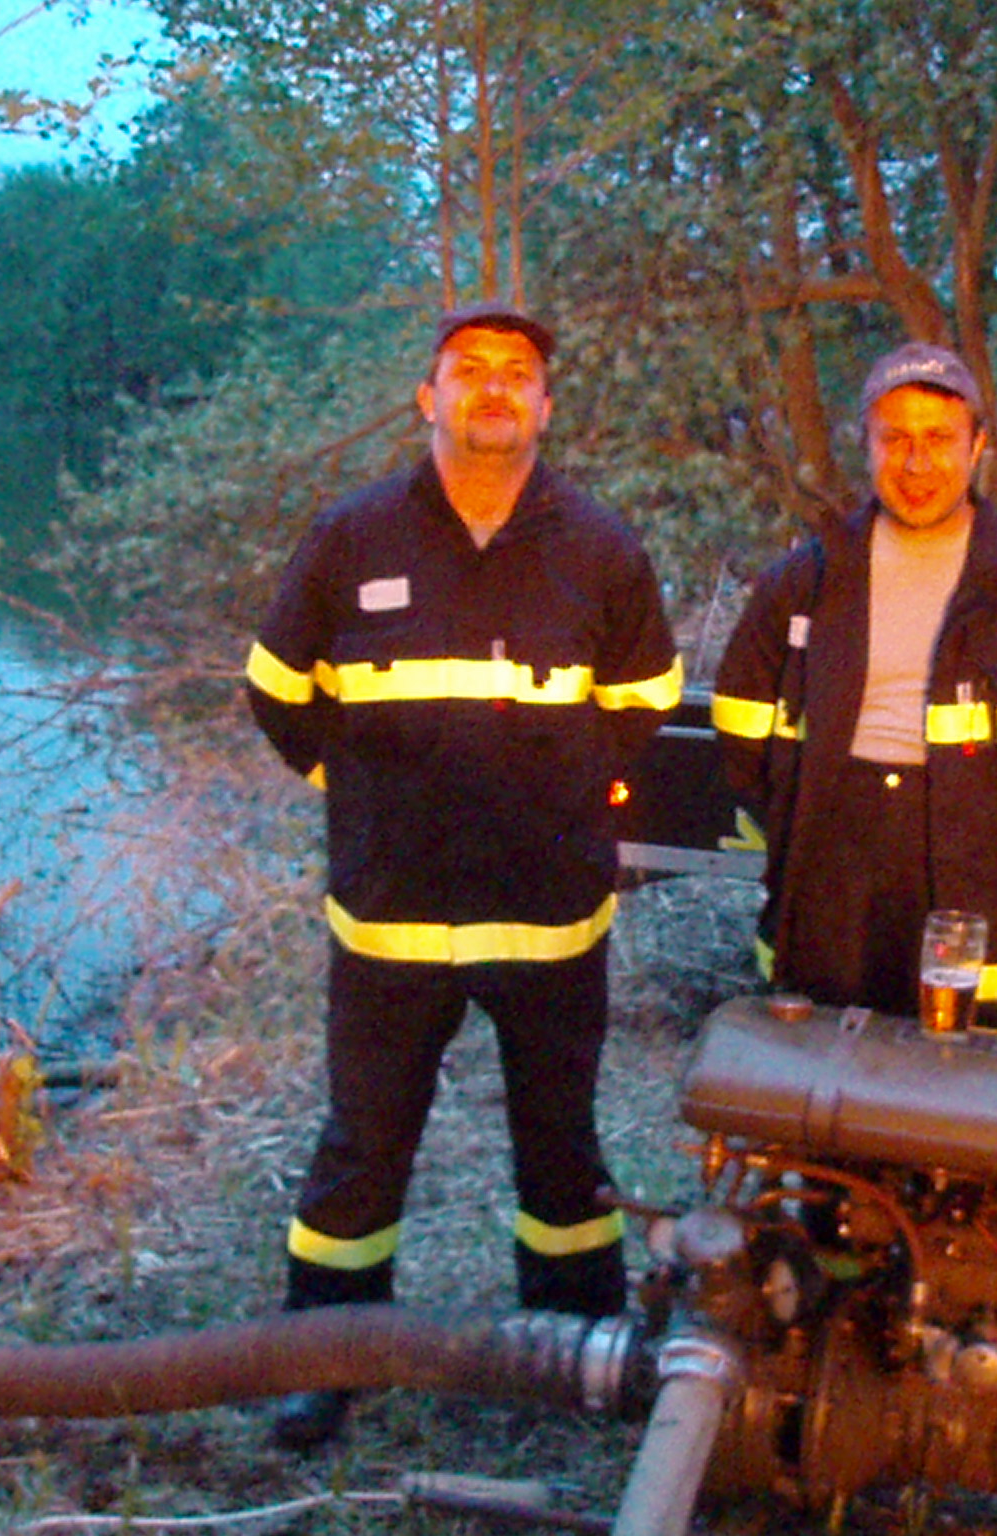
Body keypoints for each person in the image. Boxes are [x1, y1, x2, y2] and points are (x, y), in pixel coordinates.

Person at [244, 300, 683, 1450]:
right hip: (390, 920)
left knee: (562, 1147)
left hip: (548, 919)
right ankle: (325, 1354)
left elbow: (642, 704)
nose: (494, 386)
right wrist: (356, 789)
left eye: (517, 371)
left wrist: (555, 792)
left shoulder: (601, 548)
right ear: (426, 400)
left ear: (544, 406)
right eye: (469, 368)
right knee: (360, 1148)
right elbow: (276, 691)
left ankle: (575, 1347)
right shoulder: (351, 537)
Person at [709, 341, 997, 1031]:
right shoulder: (804, 583)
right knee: (828, 1082)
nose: (917, 464)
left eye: (940, 439)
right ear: (867, 444)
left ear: (978, 446)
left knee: (962, 1089)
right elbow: (743, 741)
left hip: (980, 901)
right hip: (830, 889)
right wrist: (805, 821)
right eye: (896, 439)